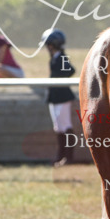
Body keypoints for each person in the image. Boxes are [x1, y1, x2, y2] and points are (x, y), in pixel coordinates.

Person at [41, 28, 77, 166]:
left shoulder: (61, 57)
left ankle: (69, 157)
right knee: (59, 127)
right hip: (55, 96)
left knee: (66, 126)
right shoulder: (55, 57)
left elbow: (70, 70)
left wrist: (58, 79)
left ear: (51, 45)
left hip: (62, 95)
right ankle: (61, 155)